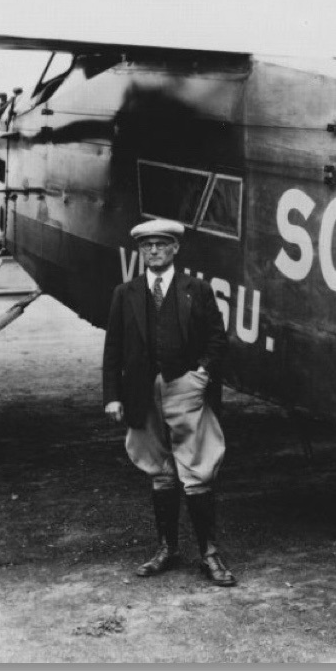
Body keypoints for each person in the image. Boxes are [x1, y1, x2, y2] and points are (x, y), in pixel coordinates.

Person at [103, 219, 236, 586]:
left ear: (176, 248)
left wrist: (201, 376)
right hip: (142, 394)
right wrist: (112, 396)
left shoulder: (198, 290)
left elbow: (217, 340)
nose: (154, 251)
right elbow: (113, 348)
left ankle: (209, 554)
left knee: (197, 470)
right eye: (147, 246)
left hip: (185, 388)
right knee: (160, 471)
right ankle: (167, 549)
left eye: (161, 245)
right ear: (140, 251)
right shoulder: (124, 293)